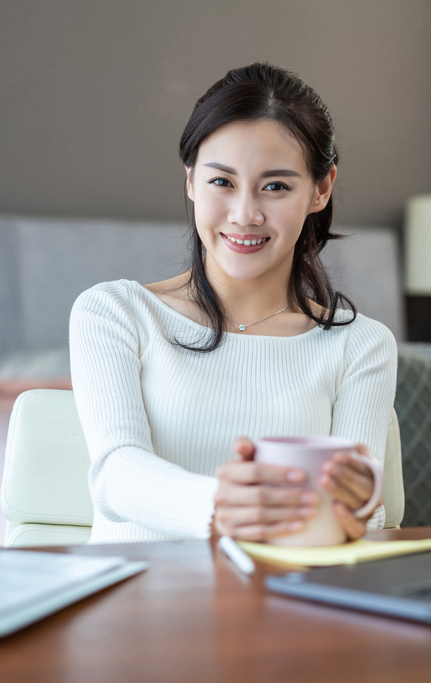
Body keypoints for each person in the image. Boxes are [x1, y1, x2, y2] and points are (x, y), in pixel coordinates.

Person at [70, 63, 397, 544]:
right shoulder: (114, 313)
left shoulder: (361, 344)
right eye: (222, 182)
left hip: (284, 608)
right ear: (190, 182)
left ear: (321, 189)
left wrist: (357, 510)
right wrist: (222, 508)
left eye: (276, 186)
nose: (245, 214)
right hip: (137, 603)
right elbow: (117, 474)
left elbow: (360, 513)